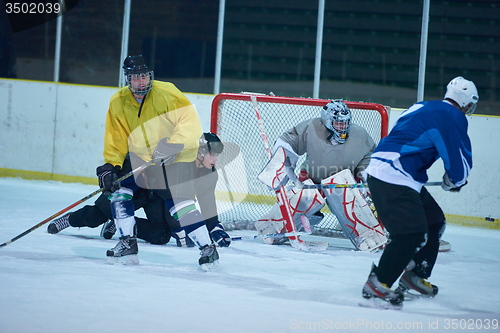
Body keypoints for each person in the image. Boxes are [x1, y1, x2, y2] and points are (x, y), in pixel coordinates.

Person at [49, 54, 218, 268]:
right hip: (140, 160)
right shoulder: (118, 101)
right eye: (136, 77)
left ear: (150, 76)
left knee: (179, 204)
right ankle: (127, 242)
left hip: (171, 159)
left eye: (144, 77)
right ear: (127, 79)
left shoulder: (167, 93)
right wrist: (111, 165)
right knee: (118, 193)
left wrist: (172, 144)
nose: (141, 82)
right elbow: (116, 138)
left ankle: (207, 248)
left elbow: (189, 122)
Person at [361, 76, 478, 308]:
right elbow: (459, 158)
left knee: (433, 221)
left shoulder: (422, 105)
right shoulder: (453, 115)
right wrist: (455, 179)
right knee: (410, 234)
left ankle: (413, 274)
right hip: (394, 175)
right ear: (466, 103)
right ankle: (378, 284)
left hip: (390, 172)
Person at [47, 133, 231, 249]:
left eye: (216, 155)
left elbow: (203, 203)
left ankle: (123, 222)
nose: (215, 159)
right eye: (212, 154)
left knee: (161, 236)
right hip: (140, 188)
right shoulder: (182, 161)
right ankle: (70, 219)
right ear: (200, 152)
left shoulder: (210, 175)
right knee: (97, 215)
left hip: (161, 198)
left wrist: (214, 227)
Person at [255, 100, 385, 251]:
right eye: (338, 123)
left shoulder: (360, 135)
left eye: (345, 122)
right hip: (312, 177)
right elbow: (289, 142)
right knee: (303, 199)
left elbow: (370, 157)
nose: (343, 127)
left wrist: (365, 179)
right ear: (327, 121)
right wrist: (282, 164)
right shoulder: (311, 127)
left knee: (351, 201)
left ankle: (367, 236)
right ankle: (273, 230)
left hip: (343, 182)